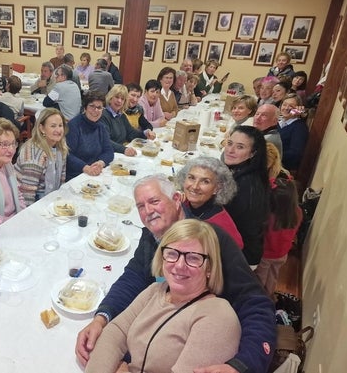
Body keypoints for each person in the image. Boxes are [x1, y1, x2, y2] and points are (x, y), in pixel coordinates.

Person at [75, 174, 276, 373]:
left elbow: (255, 305)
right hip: (150, 339)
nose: (148, 212)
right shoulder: (154, 239)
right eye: (141, 206)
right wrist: (102, 317)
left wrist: (242, 365)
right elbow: (134, 277)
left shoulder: (211, 240)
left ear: (177, 199)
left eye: (154, 201)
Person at [85, 219, 241, 373]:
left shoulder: (217, 317)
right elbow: (115, 332)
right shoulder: (157, 290)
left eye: (193, 258)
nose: (179, 265)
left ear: (210, 268)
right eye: (172, 254)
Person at [223, 126, 270, 267]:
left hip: (241, 256)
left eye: (240, 147)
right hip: (242, 249)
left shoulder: (244, 185)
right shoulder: (247, 171)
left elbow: (225, 224)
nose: (230, 150)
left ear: (252, 153)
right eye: (230, 143)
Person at [176, 157, 243, 249]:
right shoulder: (183, 203)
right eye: (191, 178)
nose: (195, 186)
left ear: (217, 188)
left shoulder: (221, 224)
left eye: (205, 181)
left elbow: (235, 250)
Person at [255, 176, 302, 296]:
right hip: (282, 254)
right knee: (273, 276)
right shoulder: (298, 212)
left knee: (259, 279)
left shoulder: (268, 217)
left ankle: (259, 299)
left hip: (266, 255)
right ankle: (269, 295)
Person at [14, 108, 68, 206]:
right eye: (53, 126)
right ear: (42, 128)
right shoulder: (34, 153)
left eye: (60, 125)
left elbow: (62, 180)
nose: (58, 130)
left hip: (50, 199)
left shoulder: (60, 147)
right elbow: (27, 196)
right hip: (29, 202)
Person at [65, 91, 114, 180]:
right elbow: (68, 155)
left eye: (99, 107)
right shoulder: (74, 125)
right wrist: (86, 167)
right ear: (85, 108)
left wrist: (101, 162)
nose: (95, 110)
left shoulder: (101, 127)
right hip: (76, 175)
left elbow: (109, 151)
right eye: (92, 106)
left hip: (95, 173)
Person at [100, 84, 155, 156]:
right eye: (117, 97)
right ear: (110, 98)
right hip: (108, 154)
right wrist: (124, 149)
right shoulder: (103, 115)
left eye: (122, 99)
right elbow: (105, 141)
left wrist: (145, 133)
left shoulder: (121, 115)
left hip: (119, 153)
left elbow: (131, 133)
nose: (119, 101)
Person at [278, 93, 309, 172]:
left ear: (297, 109)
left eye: (291, 106)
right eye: (284, 105)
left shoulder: (299, 127)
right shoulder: (278, 121)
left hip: (281, 166)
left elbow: (295, 153)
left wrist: (273, 156)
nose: (286, 108)